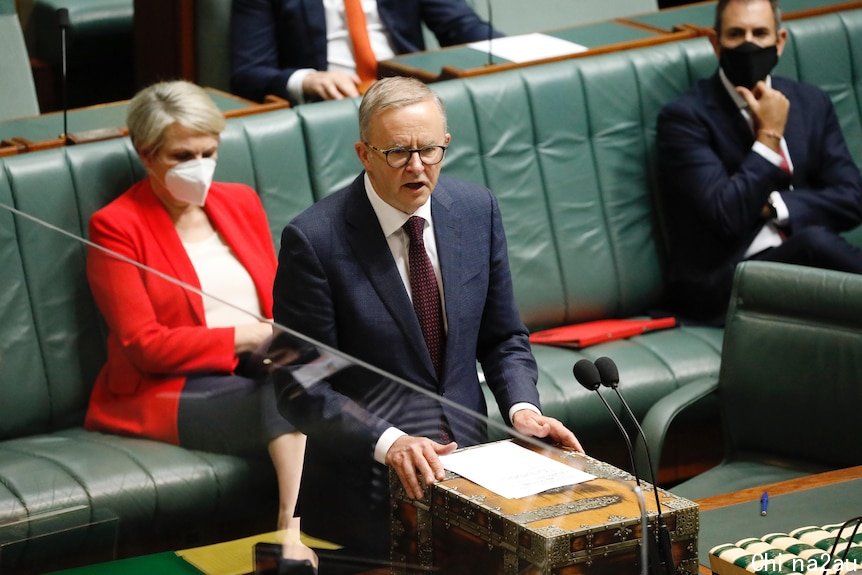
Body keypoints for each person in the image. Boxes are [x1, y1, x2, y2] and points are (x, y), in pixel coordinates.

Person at [271, 76, 584, 570]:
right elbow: (298, 386)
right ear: (364, 153)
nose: (417, 167)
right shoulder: (314, 241)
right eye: (398, 152)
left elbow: (503, 337)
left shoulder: (476, 210)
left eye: (430, 150)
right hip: (364, 497)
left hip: (474, 480)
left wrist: (523, 409)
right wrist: (390, 442)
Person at [84, 80, 310, 549]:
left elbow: (276, 301)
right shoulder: (116, 227)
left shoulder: (239, 201)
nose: (200, 167)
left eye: (208, 152)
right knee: (290, 394)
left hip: (258, 364)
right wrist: (247, 337)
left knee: (322, 378)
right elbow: (143, 347)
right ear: (146, 155)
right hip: (165, 387)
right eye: (182, 156)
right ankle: (292, 528)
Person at [656, 0, 862, 324]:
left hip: (809, 271)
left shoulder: (810, 103)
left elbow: (853, 197)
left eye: (760, 33)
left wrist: (777, 205)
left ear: (779, 42)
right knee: (814, 243)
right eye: (736, 34)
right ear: (716, 43)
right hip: (728, 283)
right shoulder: (685, 118)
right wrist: (769, 135)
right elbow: (726, 215)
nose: (749, 44)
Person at [230, 0, 500, 104]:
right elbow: (247, 73)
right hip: (335, 104)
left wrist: (514, 52)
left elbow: (460, 25)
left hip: (411, 93)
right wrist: (307, 79)